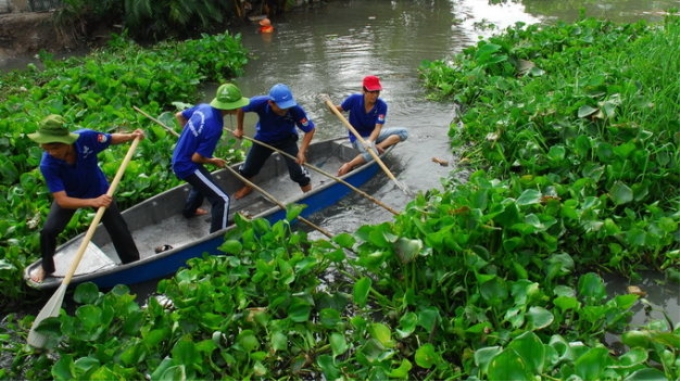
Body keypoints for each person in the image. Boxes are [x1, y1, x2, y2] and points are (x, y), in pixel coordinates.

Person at [27, 114, 145, 283]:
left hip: (97, 189)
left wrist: (130, 136)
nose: (51, 153)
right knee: (48, 231)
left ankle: (133, 263)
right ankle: (47, 266)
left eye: (55, 148)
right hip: (70, 196)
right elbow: (62, 200)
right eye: (47, 149)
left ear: (66, 142)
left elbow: (110, 139)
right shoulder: (48, 164)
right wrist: (92, 202)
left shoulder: (87, 138)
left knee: (118, 228)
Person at [172, 83, 250, 233]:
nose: (239, 108)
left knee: (202, 181)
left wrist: (191, 136)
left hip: (179, 156)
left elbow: (179, 116)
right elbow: (196, 158)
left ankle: (190, 211)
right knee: (222, 199)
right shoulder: (214, 126)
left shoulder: (204, 108)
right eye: (237, 105)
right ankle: (218, 236)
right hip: (186, 165)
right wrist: (213, 161)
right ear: (229, 108)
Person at [233, 83, 316, 199]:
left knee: (298, 174)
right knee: (247, 170)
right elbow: (241, 108)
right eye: (282, 108)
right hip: (264, 140)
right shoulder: (259, 102)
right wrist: (240, 128)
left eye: (287, 107)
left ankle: (310, 196)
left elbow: (310, 130)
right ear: (271, 103)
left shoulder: (295, 109)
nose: (285, 110)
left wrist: (301, 151)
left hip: (287, 140)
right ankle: (248, 187)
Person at [328, 75, 408, 176]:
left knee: (403, 132)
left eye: (377, 92)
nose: (375, 95)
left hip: (373, 135)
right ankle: (349, 165)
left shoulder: (382, 105)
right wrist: (329, 104)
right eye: (371, 92)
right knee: (373, 153)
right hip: (358, 137)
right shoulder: (354, 99)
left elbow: (378, 128)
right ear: (364, 91)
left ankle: (379, 146)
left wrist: (370, 141)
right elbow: (336, 110)